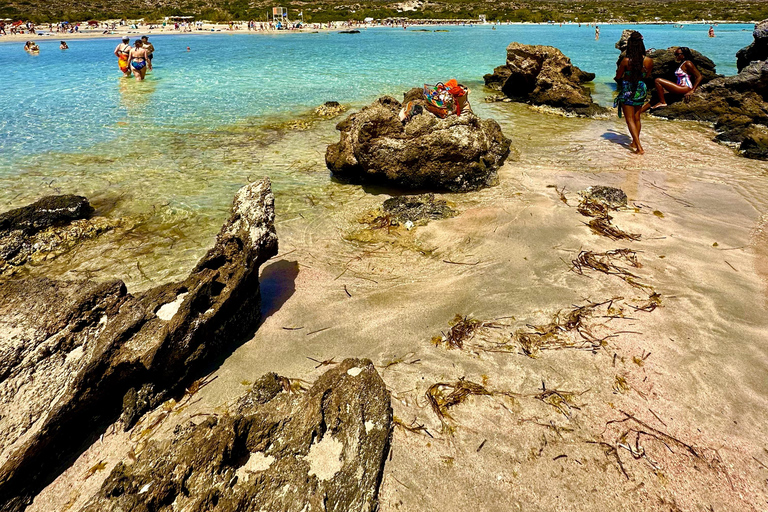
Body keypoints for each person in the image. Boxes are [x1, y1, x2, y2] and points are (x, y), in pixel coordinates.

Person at [614, 31, 653, 155]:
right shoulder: (648, 61)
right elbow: (647, 75)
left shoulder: (626, 61)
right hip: (641, 88)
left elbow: (618, 76)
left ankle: (639, 147)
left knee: (629, 119)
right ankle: (635, 142)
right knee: (637, 117)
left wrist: (624, 77)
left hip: (628, 89)